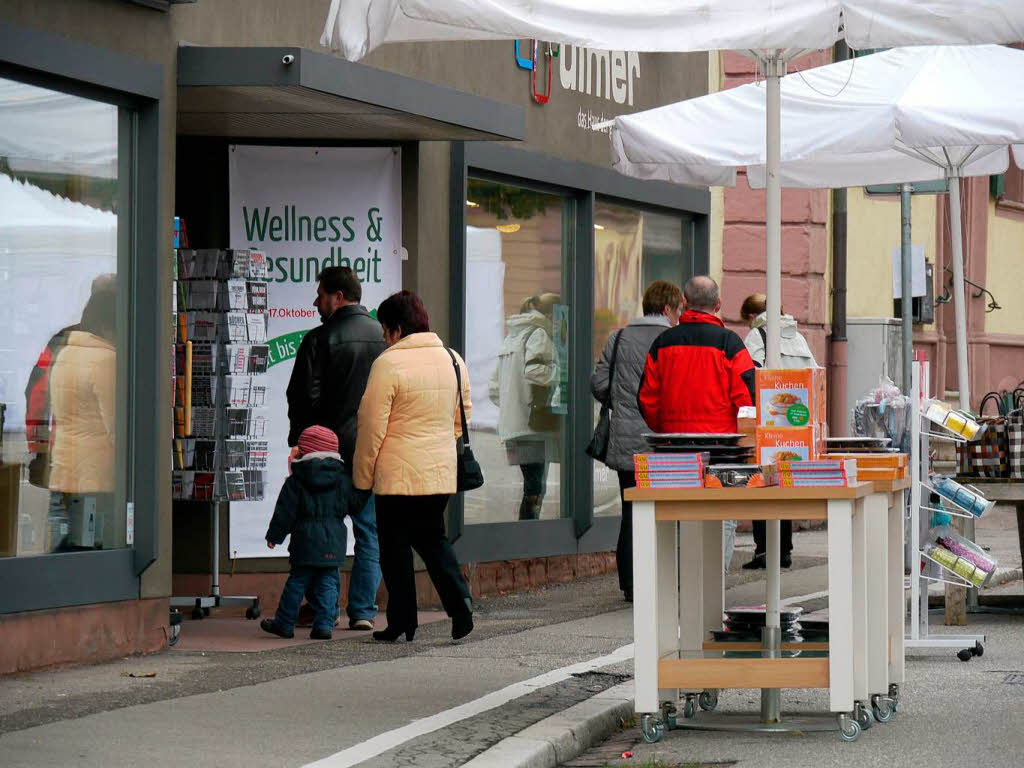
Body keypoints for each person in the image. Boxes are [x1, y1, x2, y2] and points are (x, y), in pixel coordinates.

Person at [353, 290, 475, 642]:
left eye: (384, 329)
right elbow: (463, 416)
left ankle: (403, 621)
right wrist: (437, 441)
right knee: (433, 539)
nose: (383, 336)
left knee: (393, 547)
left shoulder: (388, 364)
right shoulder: (453, 360)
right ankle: (460, 603)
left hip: (396, 474)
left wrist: (362, 477)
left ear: (395, 328)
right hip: (439, 470)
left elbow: (372, 426)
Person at [286, 266, 385, 631]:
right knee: (368, 531)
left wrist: (301, 443)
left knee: (320, 528)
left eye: (321, 295)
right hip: (369, 451)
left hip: (326, 452)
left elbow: (302, 398)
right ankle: (362, 610)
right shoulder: (383, 338)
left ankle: (320, 608)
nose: (316, 302)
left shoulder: (319, 339)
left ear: (338, 297)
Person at [591, 280, 683, 603]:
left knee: (631, 511)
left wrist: (623, 402)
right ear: (670, 309)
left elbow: (599, 383)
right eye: (679, 310)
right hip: (665, 442)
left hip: (626, 441)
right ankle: (665, 579)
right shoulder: (674, 340)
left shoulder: (619, 337)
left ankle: (630, 582)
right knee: (669, 513)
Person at [739, 293, 818, 570]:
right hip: (798, 420)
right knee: (784, 484)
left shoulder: (756, 336)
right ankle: (784, 549)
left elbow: (750, 376)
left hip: (770, 420)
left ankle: (764, 551)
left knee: (763, 484)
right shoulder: (798, 337)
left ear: (751, 316)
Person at [261, 426, 358, 640]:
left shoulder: (296, 480)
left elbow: (284, 512)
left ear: (305, 451)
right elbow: (353, 504)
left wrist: (274, 537)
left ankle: (284, 623)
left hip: (304, 541)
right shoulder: (342, 479)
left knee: (297, 582)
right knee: (328, 583)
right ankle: (324, 625)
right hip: (333, 541)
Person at [48, 277, 118, 551]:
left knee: (72, 546)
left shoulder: (66, 353)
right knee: (92, 551)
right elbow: (117, 428)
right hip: (97, 479)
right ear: (110, 325)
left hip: (65, 469)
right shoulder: (106, 360)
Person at [489, 293, 560, 521]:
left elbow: (493, 388)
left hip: (514, 426)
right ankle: (528, 540)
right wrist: (562, 375)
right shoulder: (539, 334)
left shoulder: (512, 337)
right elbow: (535, 371)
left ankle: (526, 537)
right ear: (551, 314)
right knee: (536, 489)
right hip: (533, 427)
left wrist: (512, 406)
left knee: (532, 487)